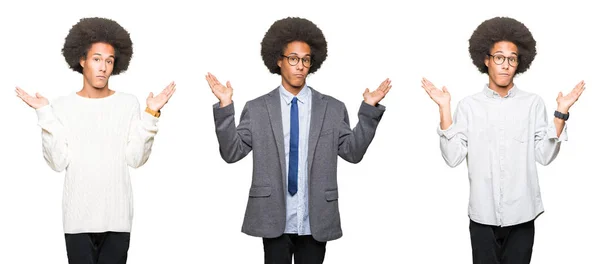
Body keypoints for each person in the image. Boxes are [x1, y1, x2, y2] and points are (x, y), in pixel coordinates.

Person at [206, 17, 391, 264]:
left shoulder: (333, 109)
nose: (300, 66)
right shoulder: (258, 109)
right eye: (293, 58)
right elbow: (231, 152)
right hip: (274, 217)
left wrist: (369, 110)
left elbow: (353, 153)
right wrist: (225, 106)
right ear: (278, 60)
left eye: (305, 59)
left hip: (315, 217)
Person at [421, 16, 585, 264]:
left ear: (519, 63)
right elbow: (453, 157)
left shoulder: (532, 104)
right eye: (499, 57)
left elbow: (544, 155)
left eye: (512, 59)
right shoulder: (469, 106)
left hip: (523, 214)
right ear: (486, 60)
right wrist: (444, 108)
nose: (505, 65)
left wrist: (560, 114)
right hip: (482, 216)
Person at [15, 17, 176, 264]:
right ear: (82, 60)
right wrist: (44, 114)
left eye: (109, 61)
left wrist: (150, 115)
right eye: (96, 59)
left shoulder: (127, 103)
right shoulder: (62, 106)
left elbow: (135, 159)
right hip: (78, 220)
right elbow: (58, 163)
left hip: (117, 220)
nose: (103, 67)